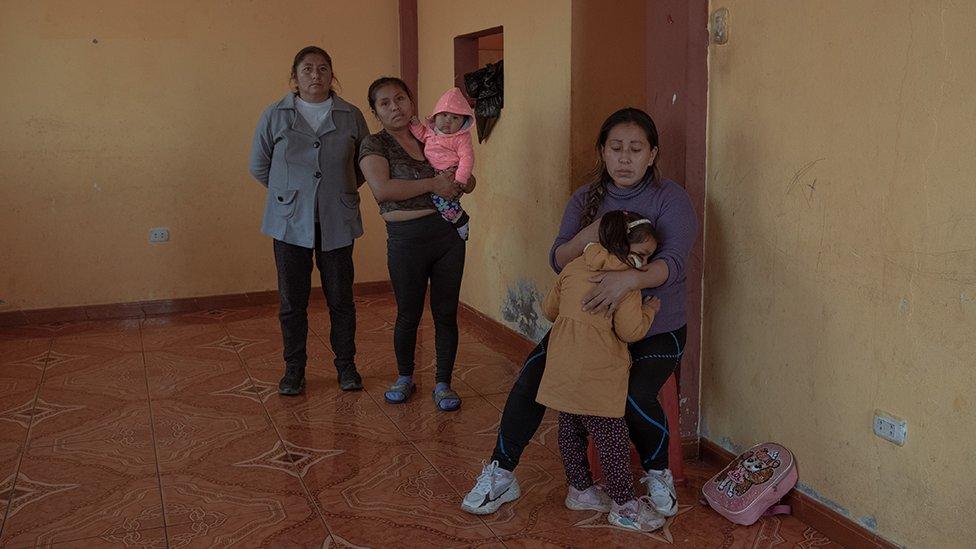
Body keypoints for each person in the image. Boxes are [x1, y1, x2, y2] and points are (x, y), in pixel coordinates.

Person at [461, 108, 698, 517]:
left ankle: (657, 471)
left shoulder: (670, 198)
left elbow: (674, 262)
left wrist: (628, 282)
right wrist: (591, 234)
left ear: (653, 154)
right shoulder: (584, 199)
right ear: (602, 152)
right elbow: (558, 258)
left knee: (634, 394)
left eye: (636, 149)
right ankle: (502, 472)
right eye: (616, 148)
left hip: (654, 326)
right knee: (533, 375)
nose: (625, 158)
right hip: (588, 327)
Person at [248, 46, 369, 396]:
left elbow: (365, 164)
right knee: (291, 301)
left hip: (337, 220)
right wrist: (290, 193)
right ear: (295, 76)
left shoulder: (350, 115)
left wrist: (339, 191)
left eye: (322, 68)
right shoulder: (275, 114)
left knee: (341, 298)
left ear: (332, 75)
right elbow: (259, 165)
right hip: (288, 222)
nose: (315, 75)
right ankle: (294, 369)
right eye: (307, 69)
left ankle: (346, 366)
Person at [540, 209, 665, 531]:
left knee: (570, 428)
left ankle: (579, 489)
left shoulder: (574, 267)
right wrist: (649, 311)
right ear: (622, 246)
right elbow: (630, 331)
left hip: (563, 367)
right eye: (642, 254)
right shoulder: (624, 283)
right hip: (597, 374)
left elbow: (548, 309)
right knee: (611, 439)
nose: (645, 263)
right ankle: (624, 506)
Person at [358, 77, 476, 412]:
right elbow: (383, 189)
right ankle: (404, 377)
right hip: (406, 240)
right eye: (384, 103)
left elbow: (462, 176)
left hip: (447, 236)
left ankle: (443, 383)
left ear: (411, 102)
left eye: (400, 99)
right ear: (376, 111)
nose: (394, 107)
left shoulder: (433, 132)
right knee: (408, 313)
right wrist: (435, 184)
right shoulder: (374, 144)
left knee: (445, 313)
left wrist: (463, 180)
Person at [408, 87, 475, 240]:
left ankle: (459, 218)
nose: (447, 121)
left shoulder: (460, 138)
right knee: (439, 198)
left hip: (451, 172)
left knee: (441, 199)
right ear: (436, 115)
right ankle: (452, 214)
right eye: (444, 115)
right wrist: (415, 125)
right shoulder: (433, 132)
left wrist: (461, 178)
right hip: (435, 172)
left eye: (455, 118)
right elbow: (423, 135)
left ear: (464, 122)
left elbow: (467, 157)